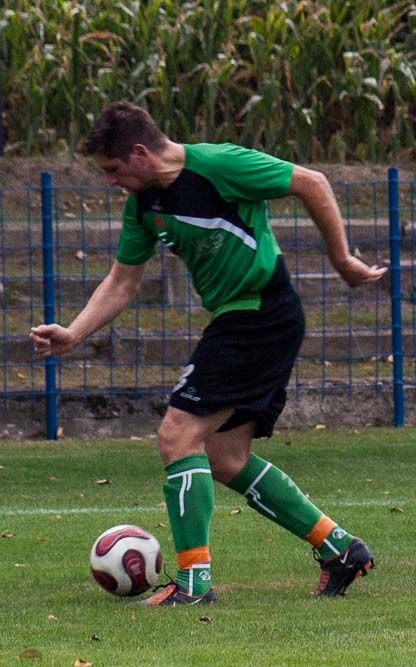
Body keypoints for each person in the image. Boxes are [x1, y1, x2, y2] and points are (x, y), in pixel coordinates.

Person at [30, 101, 387, 606]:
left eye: (112, 170)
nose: (111, 182)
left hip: (260, 313)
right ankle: (341, 548)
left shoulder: (219, 165)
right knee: (225, 457)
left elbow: (312, 182)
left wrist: (343, 261)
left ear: (138, 153)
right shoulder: (144, 205)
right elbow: (122, 281)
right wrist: (74, 333)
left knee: (178, 436)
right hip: (240, 320)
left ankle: (194, 583)